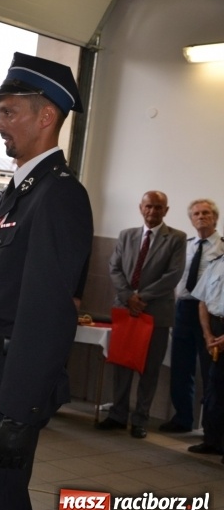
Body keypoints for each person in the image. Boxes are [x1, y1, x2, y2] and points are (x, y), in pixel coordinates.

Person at [0, 52, 93, 510]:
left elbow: (47, 313)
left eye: (8, 111)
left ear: (46, 116)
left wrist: (20, 412)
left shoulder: (59, 195)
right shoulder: (21, 189)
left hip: (2, 388)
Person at [97, 191, 185, 439]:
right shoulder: (127, 235)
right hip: (126, 310)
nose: (153, 211)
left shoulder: (176, 238)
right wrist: (128, 296)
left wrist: (142, 297)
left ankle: (140, 420)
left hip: (155, 313)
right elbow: (114, 267)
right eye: (149, 206)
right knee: (122, 364)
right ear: (141, 208)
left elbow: (173, 275)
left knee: (149, 369)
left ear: (166, 210)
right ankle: (117, 414)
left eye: (158, 207)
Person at [160, 199, 224, 433]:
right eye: (196, 213)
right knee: (181, 367)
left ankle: (211, 428)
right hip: (184, 309)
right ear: (190, 219)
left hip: (211, 312)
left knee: (211, 371)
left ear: (215, 217)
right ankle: (182, 418)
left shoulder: (222, 247)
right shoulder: (185, 245)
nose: (201, 217)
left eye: (206, 212)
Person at [187, 253, 224, 456]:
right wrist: (207, 333)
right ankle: (212, 440)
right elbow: (202, 302)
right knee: (213, 389)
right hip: (214, 328)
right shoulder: (215, 264)